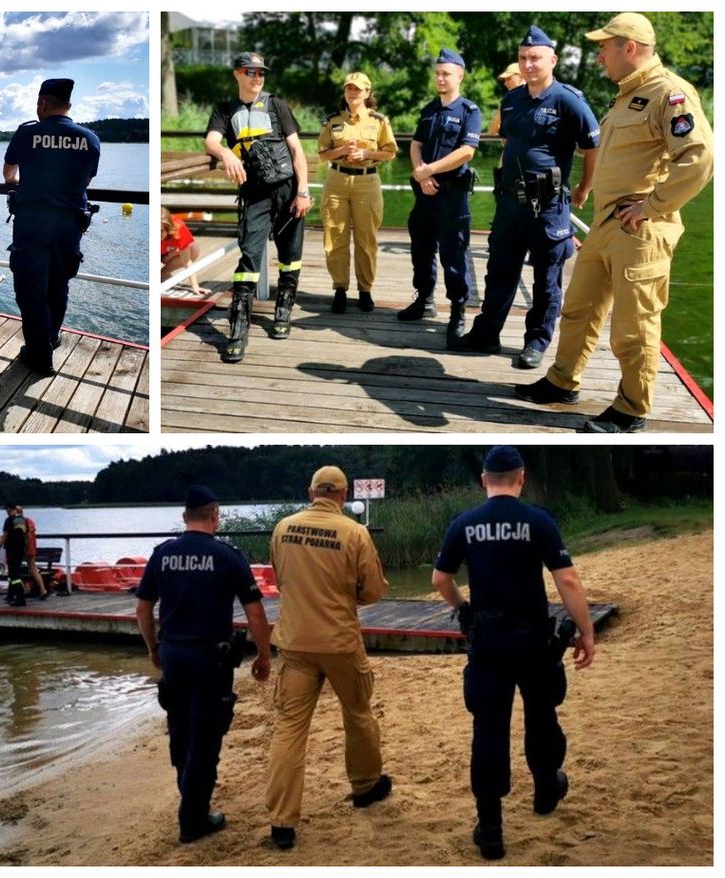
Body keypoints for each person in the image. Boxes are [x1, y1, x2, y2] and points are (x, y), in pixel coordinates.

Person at [517, 12, 714, 433]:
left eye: (605, 45)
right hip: (608, 222)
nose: (599, 53)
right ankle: (561, 381)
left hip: (639, 228)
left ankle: (631, 409)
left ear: (630, 47)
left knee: (634, 325)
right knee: (578, 309)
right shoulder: (627, 95)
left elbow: (699, 158)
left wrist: (653, 205)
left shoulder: (670, 93)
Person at [431, 445, 596, 860]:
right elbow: (568, 580)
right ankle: (545, 791)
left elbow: (440, 578)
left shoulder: (464, 524)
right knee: (542, 716)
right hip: (534, 642)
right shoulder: (537, 520)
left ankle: (491, 831)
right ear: (520, 478)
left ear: (484, 479)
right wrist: (586, 633)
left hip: (488, 643)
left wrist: (462, 608)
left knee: (488, 731)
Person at [451, 26, 600, 369]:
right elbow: (509, 140)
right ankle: (486, 335)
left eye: (535, 58)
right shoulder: (512, 99)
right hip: (510, 201)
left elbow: (593, 147)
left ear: (552, 60)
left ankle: (536, 341)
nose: (528, 64)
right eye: (523, 58)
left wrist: (584, 187)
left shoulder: (568, 100)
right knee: (499, 270)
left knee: (547, 278)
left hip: (548, 203)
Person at [135, 485, 272, 844]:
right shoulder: (227, 555)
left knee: (180, 732)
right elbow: (254, 610)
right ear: (215, 516)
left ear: (184, 517)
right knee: (206, 739)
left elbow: (143, 608)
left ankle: (190, 800)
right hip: (210, 660)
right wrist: (263, 654)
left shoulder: (162, 554)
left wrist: (153, 647)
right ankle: (193, 819)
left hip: (174, 656)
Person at [265, 465, 391, 850]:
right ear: (342, 494)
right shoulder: (355, 532)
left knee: (289, 727)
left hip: (295, 643)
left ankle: (282, 823)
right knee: (357, 714)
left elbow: (279, 576)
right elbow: (372, 592)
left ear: (311, 492)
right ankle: (366, 786)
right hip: (339, 643)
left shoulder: (283, 528)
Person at [205, 52, 312, 359]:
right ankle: (238, 327)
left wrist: (302, 192)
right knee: (249, 256)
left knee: (290, 256)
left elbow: (297, 152)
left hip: (288, 189)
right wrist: (226, 154)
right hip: (255, 195)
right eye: (250, 72)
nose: (257, 77)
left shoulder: (277, 105)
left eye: (261, 72)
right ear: (237, 73)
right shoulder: (225, 110)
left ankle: (283, 311)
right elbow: (211, 141)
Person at [3, 78, 101, 376]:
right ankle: (52, 336)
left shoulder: (27, 132)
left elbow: (9, 174)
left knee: (30, 290)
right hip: (69, 225)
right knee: (58, 284)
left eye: (37, 103)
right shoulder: (89, 138)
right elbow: (86, 181)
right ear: (68, 104)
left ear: (43, 103)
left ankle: (39, 354)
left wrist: (24, 182)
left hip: (32, 223)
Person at [398, 48, 483, 345]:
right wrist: (421, 172)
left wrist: (429, 170)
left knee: (454, 255)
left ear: (459, 75)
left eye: (446, 73)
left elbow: (466, 152)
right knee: (421, 249)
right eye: (437, 73)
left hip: (452, 195)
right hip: (425, 192)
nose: (440, 78)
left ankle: (457, 311)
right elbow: (416, 143)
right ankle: (424, 300)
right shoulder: (429, 109)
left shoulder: (469, 112)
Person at [318, 71, 398, 314]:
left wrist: (366, 154)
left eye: (358, 89)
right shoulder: (332, 121)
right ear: (345, 92)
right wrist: (341, 150)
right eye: (349, 89)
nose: (352, 93)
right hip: (337, 180)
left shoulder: (378, 121)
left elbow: (390, 152)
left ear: (367, 93)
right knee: (335, 237)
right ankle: (340, 289)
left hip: (367, 182)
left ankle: (365, 291)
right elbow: (322, 154)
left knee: (366, 239)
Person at [160, 208, 208, 295]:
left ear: (168, 228)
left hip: (166, 252)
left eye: (161, 231)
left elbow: (187, 261)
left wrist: (195, 285)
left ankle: (163, 273)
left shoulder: (178, 228)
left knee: (193, 249)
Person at [0, 502, 29, 607]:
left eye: (6, 509)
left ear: (9, 509)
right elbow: (26, 535)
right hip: (20, 550)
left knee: (14, 576)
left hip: (11, 550)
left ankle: (21, 598)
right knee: (14, 574)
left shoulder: (9, 520)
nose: (6, 512)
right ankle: (11, 595)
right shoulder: (23, 520)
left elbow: (4, 536)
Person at [15, 505, 49, 600]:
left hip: (25, 549)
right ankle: (42, 590)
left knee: (14, 570)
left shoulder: (19, 522)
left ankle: (21, 590)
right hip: (32, 548)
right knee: (33, 569)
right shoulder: (30, 521)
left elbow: (26, 536)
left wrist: (24, 549)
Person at [488, 64, 524, 137]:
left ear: (521, 76)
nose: (505, 83)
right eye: (505, 80)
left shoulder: (535, 96)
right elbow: (492, 131)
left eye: (509, 79)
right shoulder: (507, 100)